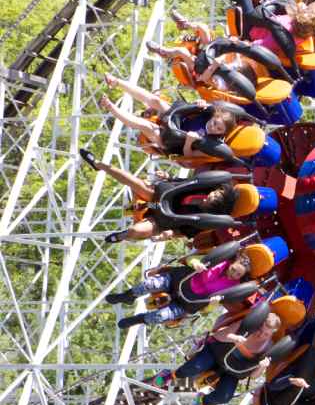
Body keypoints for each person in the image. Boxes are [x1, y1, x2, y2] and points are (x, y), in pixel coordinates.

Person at [78, 154, 239, 243]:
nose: (211, 196)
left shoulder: (204, 219)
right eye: (215, 193)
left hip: (163, 218)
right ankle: (99, 164)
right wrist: (169, 177)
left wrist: (169, 234)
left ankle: (123, 235)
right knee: (134, 183)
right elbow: (184, 183)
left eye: (213, 200)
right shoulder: (205, 186)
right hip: (157, 196)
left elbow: (184, 232)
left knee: (136, 230)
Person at [157, 312, 283, 405]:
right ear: (258, 324)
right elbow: (219, 335)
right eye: (260, 330)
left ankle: (202, 403)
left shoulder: (268, 347)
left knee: (225, 396)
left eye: (266, 334)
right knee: (196, 367)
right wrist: (234, 338)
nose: (261, 335)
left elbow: (254, 376)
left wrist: (262, 366)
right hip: (217, 353)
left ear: (271, 334)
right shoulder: (246, 325)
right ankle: (171, 375)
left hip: (233, 370)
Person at [98, 74, 240, 160]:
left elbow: (188, 156)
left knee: (147, 126)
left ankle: (110, 107)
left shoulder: (211, 143)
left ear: (221, 133)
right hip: (176, 118)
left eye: (218, 128)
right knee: (156, 101)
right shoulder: (207, 114)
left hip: (172, 141)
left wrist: (189, 142)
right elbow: (199, 107)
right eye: (215, 122)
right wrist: (199, 103)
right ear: (214, 116)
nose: (213, 127)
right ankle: (116, 82)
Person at [106, 251, 254, 329]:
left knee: (160, 316)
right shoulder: (219, 260)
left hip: (187, 303)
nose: (232, 274)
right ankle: (128, 296)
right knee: (149, 284)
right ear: (232, 263)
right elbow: (191, 259)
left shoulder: (232, 287)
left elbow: (205, 310)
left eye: (237, 274)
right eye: (234, 269)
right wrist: (196, 263)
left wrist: (213, 304)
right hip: (179, 281)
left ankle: (137, 320)